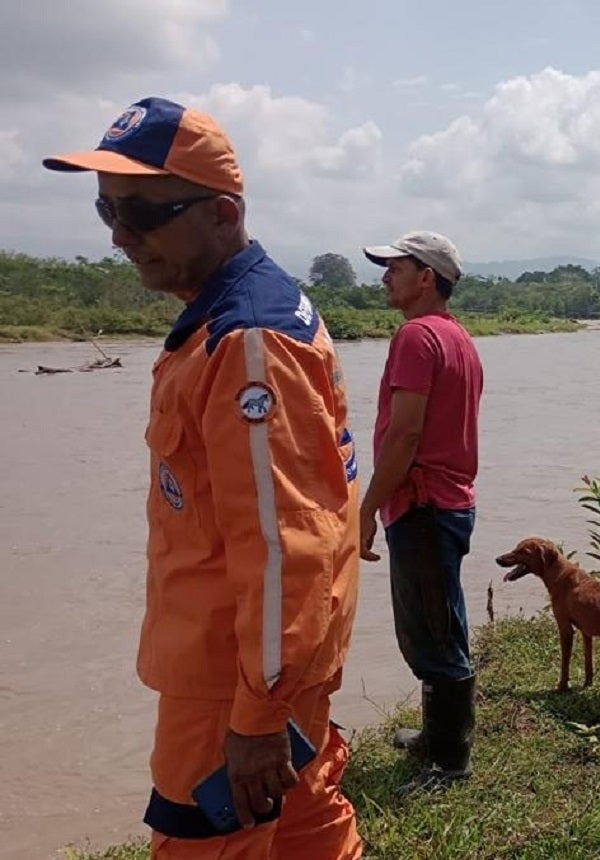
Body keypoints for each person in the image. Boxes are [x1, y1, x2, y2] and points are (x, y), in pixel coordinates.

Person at [43, 97, 362, 858]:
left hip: (234, 682)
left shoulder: (247, 340)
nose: (122, 237)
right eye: (106, 211)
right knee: (306, 829)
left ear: (223, 214)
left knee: (204, 843)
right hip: (277, 668)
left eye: (146, 212)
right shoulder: (239, 314)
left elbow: (287, 548)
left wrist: (255, 713)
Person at [358, 231, 483, 789]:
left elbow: (405, 435)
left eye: (395, 267)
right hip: (447, 501)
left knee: (432, 632)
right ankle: (437, 738)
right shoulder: (458, 338)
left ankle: (450, 763)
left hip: (424, 502)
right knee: (439, 621)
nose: (386, 276)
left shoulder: (415, 337)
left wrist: (367, 507)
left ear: (426, 277)